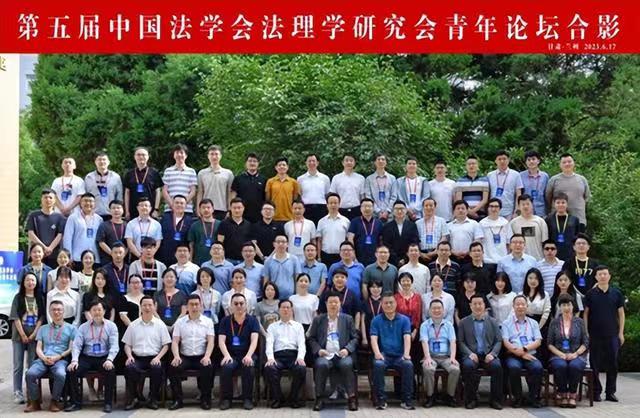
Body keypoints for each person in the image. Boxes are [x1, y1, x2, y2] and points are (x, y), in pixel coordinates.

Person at [308, 291, 359, 411]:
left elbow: (355, 338)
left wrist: (347, 349)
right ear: (326, 304)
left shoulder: (347, 319)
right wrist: (319, 350)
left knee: (347, 364)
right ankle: (319, 398)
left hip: (342, 354)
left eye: (336, 302)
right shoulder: (319, 319)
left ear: (340, 304)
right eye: (330, 302)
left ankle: (351, 398)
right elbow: (311, 338)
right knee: (321, 365)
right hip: (325, 354)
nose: (333, 305)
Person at [65, 300, 119, 413]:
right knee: (72, 370)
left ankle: (108, 403)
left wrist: (110, 359)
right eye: (94, 310)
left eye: (99, 310)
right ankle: (76, 403)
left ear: (104, 311)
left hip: (104, 357)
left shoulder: (111, 326)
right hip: (87, 357)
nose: (97, 312)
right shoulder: (83, 327)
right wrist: (74, 360)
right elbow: (76, 345)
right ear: (90, 312)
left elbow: (114, 345)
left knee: (110, 370)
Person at [24, 301, 76, 413]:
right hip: (43, 359)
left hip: (60, 359)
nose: (56, 312)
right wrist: (43, 358)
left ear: (63, 311)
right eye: (54, 310)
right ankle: (35, 402)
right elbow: (38, 347)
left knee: (60, 374)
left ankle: (55, 401)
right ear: (50, 311)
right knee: (30, 374)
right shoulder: (43, 328)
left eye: (59, 309)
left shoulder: (71, 328)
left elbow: (71, 348)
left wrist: (58, 357)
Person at [584, 265, 625, 402]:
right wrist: (586, 332)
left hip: (612, 334)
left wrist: (621, 333)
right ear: (596, 277)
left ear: (609, 276)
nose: (602, 276)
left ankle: (610, 392)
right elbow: (586, 314)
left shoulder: (616, 293)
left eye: (605, 274)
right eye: (600, 274)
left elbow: (621, 314)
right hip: (594, 335)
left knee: (612, 364)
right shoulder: (590, 294)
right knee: (594, 364)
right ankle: (596, 391)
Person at [122, 296, 171, 411]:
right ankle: (134, 398)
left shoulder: (160, 325)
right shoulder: (133, 325)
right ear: (141, 307)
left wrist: (158, 357)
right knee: (129, 368)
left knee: (157, 368)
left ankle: (152, 399)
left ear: (154, 307)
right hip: (137, 358)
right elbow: (127, 345)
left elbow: (166, 345)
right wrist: (129, 356)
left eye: (150, 305)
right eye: (144, 305)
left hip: (155, 357)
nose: (147, 308)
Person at [168, 294, 215, 410]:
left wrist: (207, 356)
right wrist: (176, 356)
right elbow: (175, 341)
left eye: (196, 304)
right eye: (191, 304)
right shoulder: (180, 322)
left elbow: (211, 341)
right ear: (187, 307)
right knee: (173, 367)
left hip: (201, 356)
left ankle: (205, 399)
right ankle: (177, 400)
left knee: (208, 367)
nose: (194, 307)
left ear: (201, 306)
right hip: (185, 356)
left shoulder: (208, 322)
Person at [457, 294, 504, 410]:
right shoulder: (463, 322)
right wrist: (469, 353)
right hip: (472, 355)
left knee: (497, 367)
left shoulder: (493, 322)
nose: (477, 306)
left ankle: (495, 400)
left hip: (488, 354)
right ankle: (471, 399)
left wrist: (492, 354)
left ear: (484, 305)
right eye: (475, 304)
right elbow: (460, 342)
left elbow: (499, 340)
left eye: (480, 304)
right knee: (468, 366)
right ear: (470, 306)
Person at [370, 292, 415, 410]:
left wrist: (406, 353)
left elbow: (407, 337)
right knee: (378, 365)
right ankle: (381, 400)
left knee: (408, 364)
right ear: (381, 304)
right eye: (386, 303)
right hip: (384, 355)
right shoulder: (376, 320)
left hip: (400, 356)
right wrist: (377, 353)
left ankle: (407, 400)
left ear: (396, 303)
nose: (388, 305)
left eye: (391, 302)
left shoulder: (404, 320)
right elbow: (373, 338)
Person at [218, 293, 260, 410]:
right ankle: (227, 399)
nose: (239, 306)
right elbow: (221, 341)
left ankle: (247, 399)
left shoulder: (252, 321)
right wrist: (226, 355)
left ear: (246, 305)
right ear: (231, 306)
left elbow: (254, 341)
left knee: (248, 366)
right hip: (230, 355)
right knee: (226, 367)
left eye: (241, 303)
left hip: (247, 353)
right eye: (235, 304)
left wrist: (249, 356)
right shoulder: (225, 321)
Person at [501, 295, 544, 408]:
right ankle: (517, 398)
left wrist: (525, 350)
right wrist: (520, 353)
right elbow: (506, 342)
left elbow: (538, 341)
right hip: (513, 355)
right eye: (517, 304)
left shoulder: (534, 323)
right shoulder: (506, 323)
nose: (520, 306)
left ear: (527, 306)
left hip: (530, 354)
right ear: (513, 306)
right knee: (514, 368)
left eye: (523, 304)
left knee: (537, 368)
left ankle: (533, 397)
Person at [547, 294, 589, 408]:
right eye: (563, 305)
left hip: (577, 354)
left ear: (573, 306)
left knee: (574, 366)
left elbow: (585, 342)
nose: (566, 308)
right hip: (558, 355)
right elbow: (549, 343)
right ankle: (563, 393)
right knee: (561, 366)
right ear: (560, 307)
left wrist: (575, 354)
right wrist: (561, 354)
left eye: (569, 305)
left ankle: (572, 395)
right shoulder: (554, 322)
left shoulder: (579, 322)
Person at [264, 300, 307, 409]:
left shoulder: (298, 326)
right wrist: (270, 358)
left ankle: (293, 398)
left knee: (301, 368)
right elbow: (269, 344)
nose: (286, 310)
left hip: (293, 356)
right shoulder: (272, 327)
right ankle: (278, 398)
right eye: (283, 307)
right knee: (270, 368)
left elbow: (301, 344)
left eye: (288, 307)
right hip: (278, 356)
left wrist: (300, 357)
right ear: (279, 310)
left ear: (292, 310)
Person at [11, 272, 45, 405]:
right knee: (18, 365)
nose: (30, 283)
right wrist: (23, 335)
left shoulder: (40, 298)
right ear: (23, 283)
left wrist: (34, 334)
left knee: (31, 365)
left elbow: (41, 318)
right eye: (28, 280)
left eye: (33, 280)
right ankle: (17, 392)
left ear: (36, 283)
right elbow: (15, 317)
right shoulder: (18, 297)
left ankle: (31, 392)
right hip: (18, 336)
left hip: (34, 336)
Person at [420, 299, 460, 408]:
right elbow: (424, 342)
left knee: (455, 369)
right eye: (434, 308)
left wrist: (452, 357)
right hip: (431, 356)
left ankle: (449, 396)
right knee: (428, 368)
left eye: (439, 308)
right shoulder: (425, 325)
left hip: (446, 357)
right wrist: (427, 357)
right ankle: (430, 396)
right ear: (429, 311)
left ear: (443, 310)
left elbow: (453, 342)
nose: (436, 310)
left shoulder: (449, 325)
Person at [545, 153, 591, 227]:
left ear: (574, 163)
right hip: (558, 219)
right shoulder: (554, 180)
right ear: (560, 165)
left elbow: (587, 197)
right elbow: (548, 197)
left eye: (569, 161)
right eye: (564, 162)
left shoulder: (582, 179)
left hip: (579, 218)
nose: (567, 164)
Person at [25, 188, 66, 266]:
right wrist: (43, 247)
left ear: (55, 200)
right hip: (37, 254)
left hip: (54, 255)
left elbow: (60, 235)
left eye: (50, 197)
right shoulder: (34, 215)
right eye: (45, 197)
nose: (48, 199)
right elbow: (30, 233)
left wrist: (50, 248)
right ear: (41, 199)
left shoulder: (60, 217)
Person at [63, 193, 104, 266]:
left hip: (94, 258)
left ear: (94, 204)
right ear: (80, 203)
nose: (88, 203)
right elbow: (67, 238)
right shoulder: (73, 218)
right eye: (85, 201)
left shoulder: (99, 219)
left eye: (90, 201)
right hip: (77, 258)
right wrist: (68, 256)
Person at [123, 147, 163, 220]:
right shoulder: (129, 174)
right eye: (138, 155)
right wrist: (127, 211)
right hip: (133, 211)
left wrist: (156, 209)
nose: (141, 157)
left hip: (150, 211)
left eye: (143, 155)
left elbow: (158, 192)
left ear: (148, 157)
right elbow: (127, 193)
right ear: (134, 157)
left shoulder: (154, 173)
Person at [196, 145, 234, 220]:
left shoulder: (228, 173)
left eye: (216, 154)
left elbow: (230, 193)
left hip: (222, 209)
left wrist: (230, 209)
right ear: (208, 156)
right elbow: (200, 192)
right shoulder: (202, 173)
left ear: (220, 156)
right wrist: (198, 208)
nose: (214, 157)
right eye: (212, 154)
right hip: (206, 209)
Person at [507, 194, 548, 260]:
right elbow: (510, 244)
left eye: (528, 204)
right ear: (519, 206)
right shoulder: (513, 223)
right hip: (519, 259)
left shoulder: (540, 221)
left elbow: (545, 242)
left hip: (538, 259)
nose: (525, 206)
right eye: (523, 204)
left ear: (532, 205)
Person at [84, 152, 123, 219]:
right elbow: (85, 196)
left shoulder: (116, 177)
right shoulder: (89, 177)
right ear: (95, 162)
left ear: (108, 162)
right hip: (93, 213)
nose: (102, 161)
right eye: (99, 159)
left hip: (111, 213)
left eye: (104, 159)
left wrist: (118, 212)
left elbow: (119, 196)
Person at [161, 143, 198, 214]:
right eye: (177, 153)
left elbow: (193, 191)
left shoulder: (191, 171)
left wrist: (182, 204)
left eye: (181, 153)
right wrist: (172, 204)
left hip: (186, 209)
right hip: (170, 209)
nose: (179, 155)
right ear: (174, 155)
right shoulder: (168, 171)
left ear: (186, 156)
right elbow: (164, 191)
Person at [231, 152, 267, 223]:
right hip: (241, 215)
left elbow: (266, 197)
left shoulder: (264, 179)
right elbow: (233, 195)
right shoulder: (238, 179)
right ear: (246, 163)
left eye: (254, 161)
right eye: (250, 161)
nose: (252, 163)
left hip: (259, 215)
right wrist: (231, 210)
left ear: (258, 164)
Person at [545, 192, 582, 261]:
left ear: (567, 204)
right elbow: (547, 237)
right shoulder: (549, 219)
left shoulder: (574, 219)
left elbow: (577, 236)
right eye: (558, 203)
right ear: (554, 204)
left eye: (563, 202)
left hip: (570, 252)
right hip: (553, 252)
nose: (560, 205)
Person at [262, 235, 301, 300]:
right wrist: (265, 297)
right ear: (274, 244)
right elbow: (266, 280)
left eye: (283, 242)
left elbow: (297, 278)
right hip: (274, 297)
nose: (280, 244)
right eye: (278, 242)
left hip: (290, 297)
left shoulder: (294, 259)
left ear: (287, 244)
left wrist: (297, 296)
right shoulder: (268, 261)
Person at [316, 193, 351, 266]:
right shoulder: (321, 221)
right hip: (325, 255)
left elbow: (348, 240)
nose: (333, 205)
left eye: (335, 203)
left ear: (339, 204)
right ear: (327, 205)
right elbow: (319, 241)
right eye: (331, 203)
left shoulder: (346, 221)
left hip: (341, 256)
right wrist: (319, 257)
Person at [487, 150, 523, 219]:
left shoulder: (516, 175)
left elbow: (518, 194)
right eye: (499, 159)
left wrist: (516, 211)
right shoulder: (490, 175)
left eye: (504, 159)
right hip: (493, 210)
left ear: (508, 160)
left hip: (509, 212)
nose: (502, 161)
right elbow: (488, 194)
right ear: (495, 161)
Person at [347, 198, 383, 266]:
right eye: (364, 206)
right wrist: (353, 255)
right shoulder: (354, 221)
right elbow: (350, 239)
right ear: (360, 208)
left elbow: (381, 241)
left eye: (369, 206)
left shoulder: (379, 223)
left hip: (375, 258)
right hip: (358, 257)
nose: (367, 208)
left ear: (373, 208)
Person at [381, 200, 419, 266]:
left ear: (406, 210)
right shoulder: (387, 227)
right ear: (393, 211)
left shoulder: (412, 226)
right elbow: (387, 245)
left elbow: (414, 242)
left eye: (401, 209)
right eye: (396, 209)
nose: (399, 211)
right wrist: (397, 260)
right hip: (391, 261)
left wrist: (405, 259)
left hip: (409, 260)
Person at [158, 195, 193, 266]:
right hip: (165, 257)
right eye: (176, 203)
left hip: (182, 258)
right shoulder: (164, 218)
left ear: (186, 206)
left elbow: (191, 243)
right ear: (172, 204)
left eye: (181, 203)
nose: (179, 205)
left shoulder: (190, 221)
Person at [392, 157, 430, 221]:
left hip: (420, 213)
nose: (411, 165)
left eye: (414, 164)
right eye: (409, 163)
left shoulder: (423, 181)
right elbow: (399, 196)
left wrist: (416, 209)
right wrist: (407, 209)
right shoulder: (399, 181)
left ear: (417, 166)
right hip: (404, 213)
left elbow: (426, 196)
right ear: (405, 166)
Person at [297, 153, 331, 225]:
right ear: (306, 163)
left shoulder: (325, 178)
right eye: (309, 161)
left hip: (321, 208)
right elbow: (299, 194)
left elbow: (327, 194)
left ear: (317, 163)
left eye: (313, 161)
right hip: (306, 208)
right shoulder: (300, 179)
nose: (311, 163)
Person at [217, 198, 252, 266]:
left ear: (243, 208)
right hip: (228, 260)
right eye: (234, 208)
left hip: (244, 260)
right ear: (230, 208)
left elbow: (251, 243)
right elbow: (220, 242)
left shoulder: (248, 224)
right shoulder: (224, 223)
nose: (237, 210)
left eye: (239, 208)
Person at [330, 154, 366, 220]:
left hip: (356, 210)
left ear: (354, 163)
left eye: (351, 161)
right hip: (340, 210)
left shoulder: (361, 178)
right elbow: (333, 196)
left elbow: (362, 197)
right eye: (346, 160)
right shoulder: (336, 178)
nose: (349, 162)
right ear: (342, 163)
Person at [265, 157, 300, 222]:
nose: (281, 167)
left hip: (289, 217)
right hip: (274, 217)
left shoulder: (293, 182)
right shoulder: (270, 182)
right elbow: (268, 199)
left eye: (284, 165)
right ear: (276, 167)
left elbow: (295, 200)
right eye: (279, 165)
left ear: (287, 167)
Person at [187, 198, 221, 265]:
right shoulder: (195, 225)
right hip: (198, 261)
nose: (206, 210)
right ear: (199, 210)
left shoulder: (220, 224)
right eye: (203, 208)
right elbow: (191, 245)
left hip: (216, 261)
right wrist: (190, 260)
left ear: (213, 209)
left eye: (208, 207)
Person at [522, 268, 552, 346]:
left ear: (540, 280)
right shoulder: (521, 294)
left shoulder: (545, 295)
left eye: (536, 278)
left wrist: (538, 328)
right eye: (530, 278)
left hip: (541, 324)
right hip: (524, 325)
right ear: (526, 279)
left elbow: (546, 312)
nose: (533, 281)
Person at [454, 155, 489, 220]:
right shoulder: (460, 181)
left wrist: (474, 211)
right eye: (469, 164)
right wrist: (469, 212)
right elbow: (459, 199)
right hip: (464, 214)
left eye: (473, 164)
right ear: (466, 166)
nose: (471, 166)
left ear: (478, 166)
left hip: (480, 214)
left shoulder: (484, 180)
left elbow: (485, 199)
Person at [153, 268, 188, 333]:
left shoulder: (182, 294)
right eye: (166, 277)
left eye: (171, 277)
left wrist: (175, 325)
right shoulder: (157, 294)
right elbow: (154, 311)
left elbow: (183, 312)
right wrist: (162, 325)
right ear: (163, 279)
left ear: (176, 279)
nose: (169, 279)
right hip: (160, 327)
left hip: (178, 328)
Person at [364, 153, 396, 222]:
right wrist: (378, 211)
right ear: (375, 162)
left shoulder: (392, 178)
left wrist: (387, 211)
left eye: (383, 159)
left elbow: (394, 196)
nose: (381, 161)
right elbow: (368, 197)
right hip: (374, 214)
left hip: (389, 214)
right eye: (378, 159)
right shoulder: (369, 179)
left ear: (386, 162)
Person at [416, 198, 450, 262]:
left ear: (435, 207)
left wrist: (435, 251)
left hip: (437, 253)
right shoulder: (417, 223)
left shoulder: (441, 221)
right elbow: (415, 240)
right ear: (423, 208)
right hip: (422, 254)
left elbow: (444, 237)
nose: (428, 208)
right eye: (426, 206)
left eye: (431, 205)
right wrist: (421, 254)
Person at [479, 198, 509, 264]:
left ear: (500, 208)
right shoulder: (482, 223)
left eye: (496, 206)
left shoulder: (505, 223)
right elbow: (479, 242)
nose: (493, 209)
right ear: (487, 208)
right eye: (491, 206)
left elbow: (508, 242)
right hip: (487, 259)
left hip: (503, 259)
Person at [520, 150, 549, 217]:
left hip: (541, 209)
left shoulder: (545, 176)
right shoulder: (521, 175)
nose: (531, 161)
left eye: (533, 159)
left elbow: (547, 194)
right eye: (528, 160)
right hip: (526, 208)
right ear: (526, 162)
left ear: (538, 161)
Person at [395, 272, 422, 343]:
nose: (406, 283)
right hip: (399, 329)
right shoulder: (395, 297)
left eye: (408, 281)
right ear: (400, 282)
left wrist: (415, 331)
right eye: (403, 281)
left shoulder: (417, 297)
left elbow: (418, 315)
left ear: (411, 282)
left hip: (413, 329)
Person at [361, 280, 383, 348]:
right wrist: (364, 338)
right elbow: (362, 321)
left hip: (382, 334)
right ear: (369, 288)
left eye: (378, 287)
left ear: (382, 288)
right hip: (369, 332)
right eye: (373, 287)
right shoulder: (365, 303)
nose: (376, 289)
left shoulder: (385, 302)